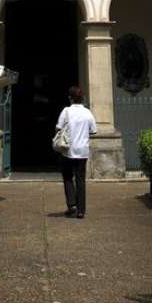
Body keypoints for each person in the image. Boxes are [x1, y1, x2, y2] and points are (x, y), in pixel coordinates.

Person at [55, 85, 96, 219]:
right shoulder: (87, 112)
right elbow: (93, 131)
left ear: (70, 98)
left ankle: (72, 205)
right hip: (82, 150)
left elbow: (58, 128)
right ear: (82, 98)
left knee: (67, 177)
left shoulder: (66, 111)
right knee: (80, 180)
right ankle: (81, 210)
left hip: (68, 150)